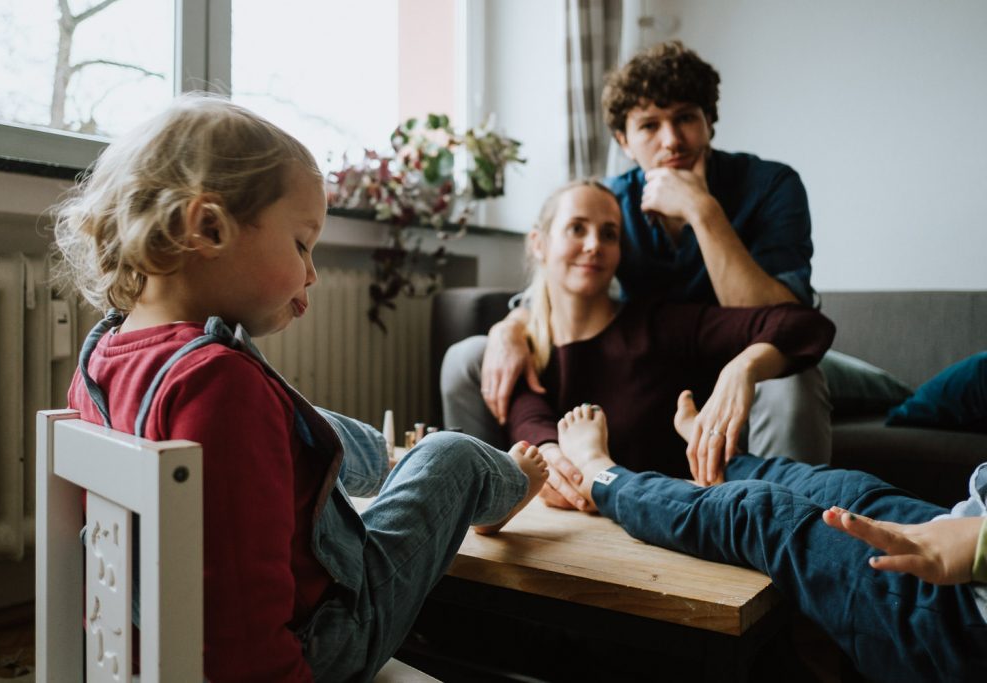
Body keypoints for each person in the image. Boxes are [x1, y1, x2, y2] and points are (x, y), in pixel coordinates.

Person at [52, 94, 547, 682]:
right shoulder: (220, 384)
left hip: (141, 643)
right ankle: (509, 482)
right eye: (301, 244)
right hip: (316, 646)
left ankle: (388, 459)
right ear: (208, 227)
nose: (311, 272)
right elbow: (241, 627)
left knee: (303, 416)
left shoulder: (101, 359)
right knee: (452, 455)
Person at [441, 40, 831, 471]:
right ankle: (481, 490)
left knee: (793, 380)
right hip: (668, 368)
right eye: (649, 126)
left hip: (753, 354)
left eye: (686, 118)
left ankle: (793, 511)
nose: (672, 140)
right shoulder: (613, 203)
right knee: (470, 355)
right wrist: (510, 327)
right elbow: (563, 279)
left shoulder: (770, 185)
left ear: (709, 123)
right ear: (624, 141)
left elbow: (789, 318)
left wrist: (703, 212)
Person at [554, 399, 987, 681]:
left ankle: (600, 475)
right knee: (847, 488)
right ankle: (725, 464)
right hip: (967, 525)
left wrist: (978, 545)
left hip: (961, 618)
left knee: (758, 512)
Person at [505, 179, 833, 509]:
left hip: (676, 515)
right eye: (577, 228)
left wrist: (743, 367)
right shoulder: (523, 347)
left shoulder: (659, 325)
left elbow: (804, 323)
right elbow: (528, 414)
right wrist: (548, 453)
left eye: (609, 234)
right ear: (538, 243)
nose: (594, 245)